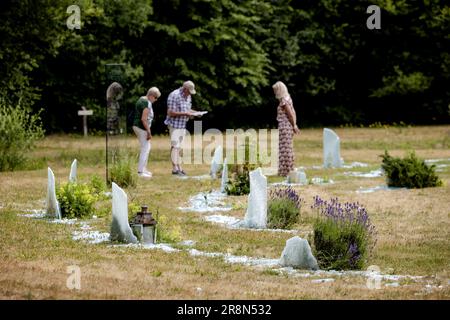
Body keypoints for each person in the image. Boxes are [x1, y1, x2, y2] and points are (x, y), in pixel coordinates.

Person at [164, 80, 199, 175]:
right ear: (185, 89)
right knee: (175, 146)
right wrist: (186, 113)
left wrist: (195, 113)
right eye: (189, 91)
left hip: (182, 125)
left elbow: (187, 109)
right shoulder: (174, 95)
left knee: (179, 147)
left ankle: (179, 167)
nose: (189, 94)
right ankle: (175, 169)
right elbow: (170, 113)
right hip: (174, 124)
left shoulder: (188, 97)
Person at [132, 87, 161, 178]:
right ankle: (140, 171)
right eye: (155, 97)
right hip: (141, 127)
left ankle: (144, 169)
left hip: (137, 126)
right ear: (151, 95)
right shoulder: (146, 103)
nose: (156, 100)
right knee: (145, 148)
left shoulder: (141, 99)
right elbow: (144, 119)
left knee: (147, 147)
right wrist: (149, 131)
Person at [273, 81, 300, 177]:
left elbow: (290, 114)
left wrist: (294, 125)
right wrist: (294, 124)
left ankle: (286, 171)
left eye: (275, 90)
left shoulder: (284, 101)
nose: (274, 92)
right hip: (287, 126)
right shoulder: (288, 98)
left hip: (284, 126)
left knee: (285, 149)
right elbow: (294, 113)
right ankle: (288, 169)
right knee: (288, 148)